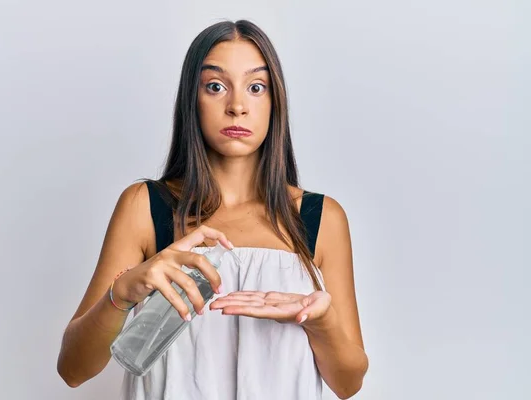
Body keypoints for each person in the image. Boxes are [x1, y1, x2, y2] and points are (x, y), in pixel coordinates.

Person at [57, 19, 368, 400]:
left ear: (275, 101)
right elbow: (73, 369)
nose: (237, 106)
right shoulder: (146, 207)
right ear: (193, 98)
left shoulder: (320, 218)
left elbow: (348, 383)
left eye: (256, 87)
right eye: (216, 86)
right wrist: (121, 294)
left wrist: (321, 323)